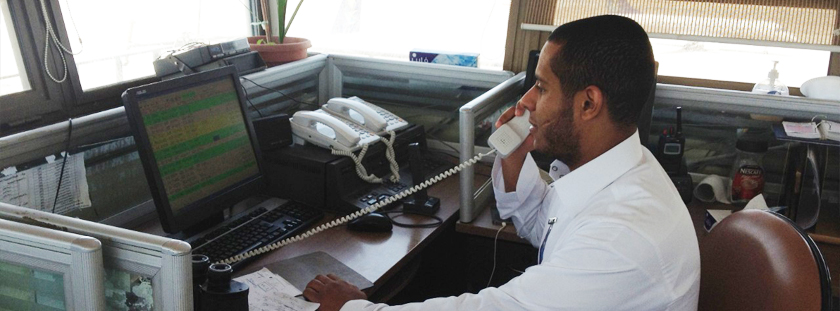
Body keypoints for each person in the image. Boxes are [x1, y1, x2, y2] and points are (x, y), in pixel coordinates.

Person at [303, 15, 701, 311]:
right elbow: (545, 226)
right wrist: (513, 158)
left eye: (542, 87)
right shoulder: (621, 172)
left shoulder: (623, 238)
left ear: (588, 103)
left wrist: (353, 308)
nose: (526, 101)